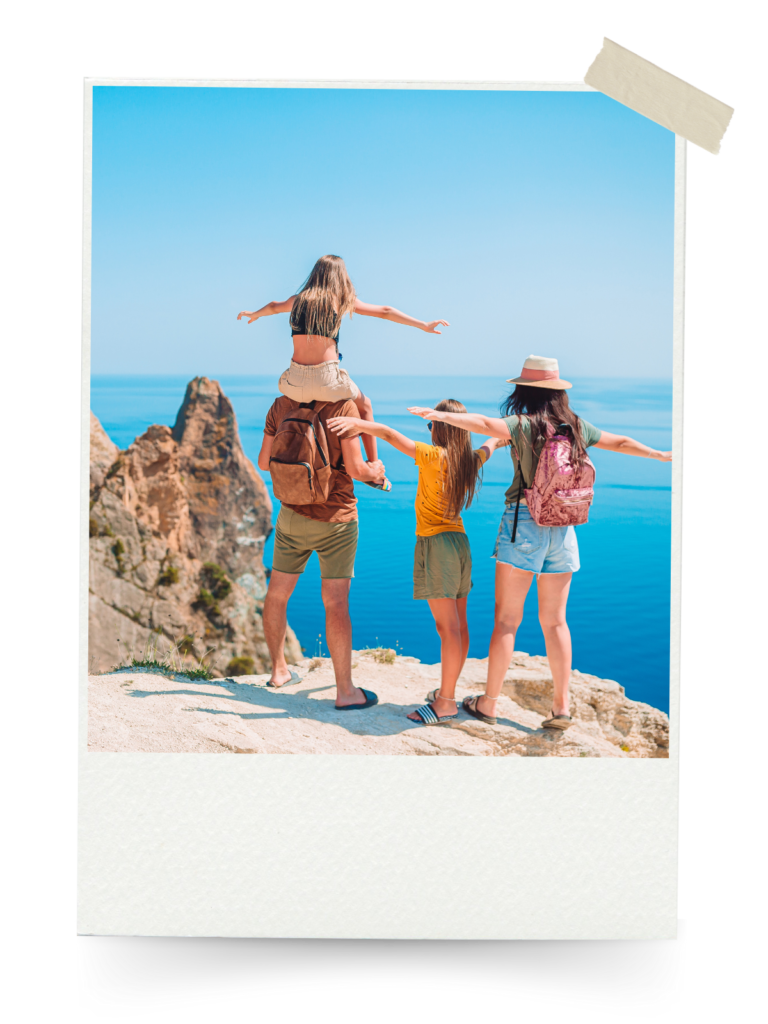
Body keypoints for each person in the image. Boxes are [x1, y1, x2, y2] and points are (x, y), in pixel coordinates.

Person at [407, 355, 672, 731]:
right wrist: (659, 455)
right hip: (565, 528)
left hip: (524, 526)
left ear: (523, 390)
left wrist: (442, 417)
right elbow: (622, 442)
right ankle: (561, 708)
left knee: (506, 622)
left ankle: (488, 703)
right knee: (556, 622)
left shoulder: (523, 424)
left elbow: (483, 424)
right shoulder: (575, 425)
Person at [328, 400, 503, 725]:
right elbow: (488, 445)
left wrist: (358, 426)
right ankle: (446, 692)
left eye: (431, 425)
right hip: (460, 544)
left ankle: (446, 702)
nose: (429, 431)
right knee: (460, 626)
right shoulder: (469, 460)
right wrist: (499, 438)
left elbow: (392, 437)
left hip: (436, 545)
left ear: (440, 428)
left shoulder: (435, 456)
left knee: (446, 628)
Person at [238, 254, 450, 490]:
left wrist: (254, 314)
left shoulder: (297, 300)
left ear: (315, 274)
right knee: (366, 405)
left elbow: (273, 307)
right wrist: (423, 325)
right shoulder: (340, 300)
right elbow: (385, 310)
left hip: (294, 380)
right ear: (340, 277)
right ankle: (374, 468)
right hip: (327, 379)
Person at [257, 390, 386, 709]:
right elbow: (357, 469)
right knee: (336, 603)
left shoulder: (281, 404)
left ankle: (278, 671)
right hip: (336, 520)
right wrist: (377, 472)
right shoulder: (342, 406)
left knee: (277, 594)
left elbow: (263, 462)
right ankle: (345, 692)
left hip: (291, 515)